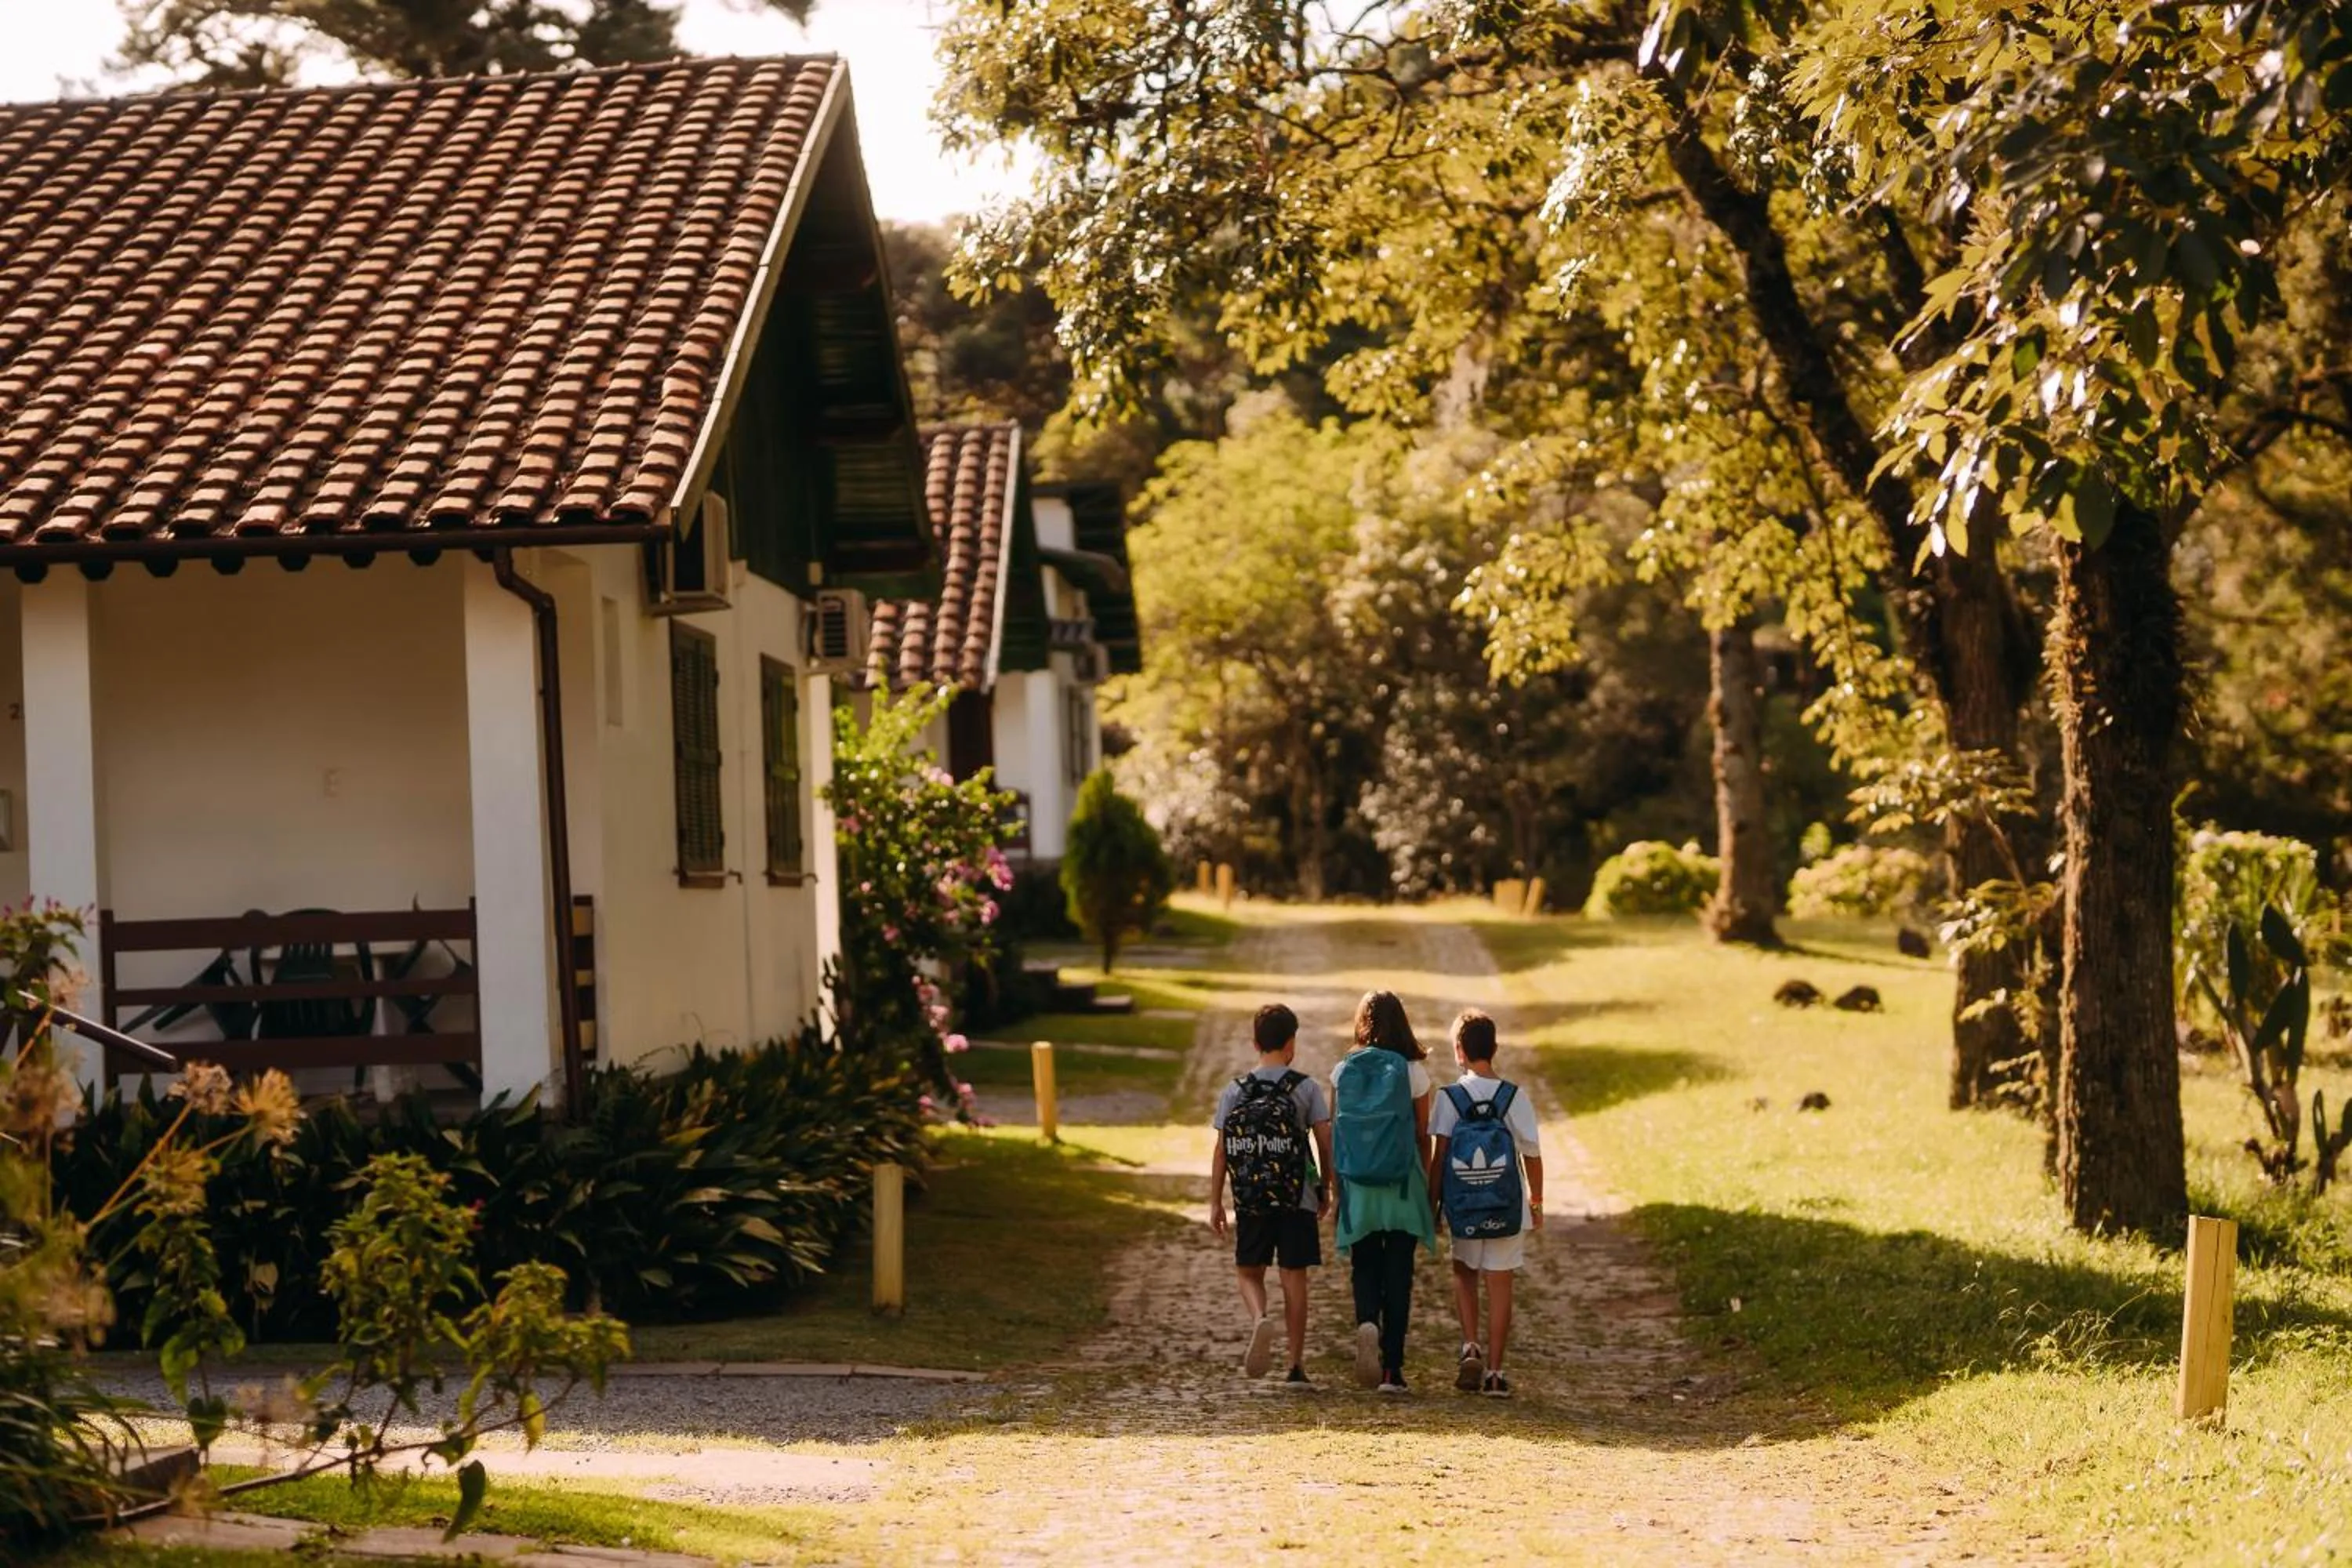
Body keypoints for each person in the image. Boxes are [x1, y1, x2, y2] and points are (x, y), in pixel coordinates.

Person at [1208, 1003, 1334, 1387]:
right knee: (1294, 1277)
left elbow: (1222, 1148)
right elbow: (1325, 1141)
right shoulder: (1306, 1088)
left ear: (1255, 1043)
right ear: (1291, 1043)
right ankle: (1295, 1364)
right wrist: (1325, 1186)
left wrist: (1216, 1200)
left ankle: (1261, 1317)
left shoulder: (1236, 1091)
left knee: (1249, 1271)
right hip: (1296, 1197)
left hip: (1252, 1197)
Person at [1428, 1008, 1544, 1399]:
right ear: (1494, 1048)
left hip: (1464, 1207)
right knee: (1501, 1284)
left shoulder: (1449, 1098)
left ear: (1459, 1051)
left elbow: (1440, 1157)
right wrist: (1537, 1200)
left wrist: (1434, 1205)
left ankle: (1470, 1345)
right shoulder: (1515, 1097)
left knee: (1464, 1272)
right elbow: (1532, 1154)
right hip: (1506, 1207)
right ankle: (1495, 1372)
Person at [1330, 989, 1436, 1394]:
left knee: (1365, 1265)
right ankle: (1392, 1369)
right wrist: (1426, 1182)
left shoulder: (1344, 1070)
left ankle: (1366, 1323)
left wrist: (1336, 1188)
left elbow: (1338, 1133)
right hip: (1402, 1184)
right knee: (1399, 1274)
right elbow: (1422, 1134)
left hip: (1359, 1184)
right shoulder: (1413, 1073)